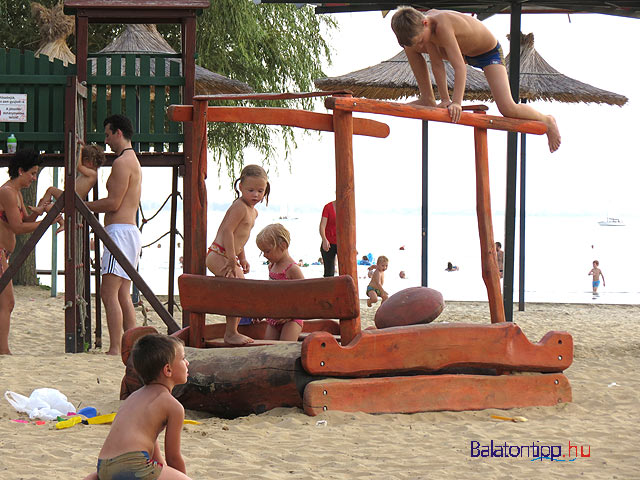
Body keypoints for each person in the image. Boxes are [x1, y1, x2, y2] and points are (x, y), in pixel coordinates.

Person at [391, 7, 561, 153]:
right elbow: (436, 64)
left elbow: (459, 67)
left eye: (421, 40)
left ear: (425, 23)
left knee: (508, 108)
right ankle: (428, 97)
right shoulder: (426, 29)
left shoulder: (442, 25)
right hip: (463, 52)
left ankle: (547, 120)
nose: (422, 45)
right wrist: (444, 99)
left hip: (487, 53)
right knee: (410, 47)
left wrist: (456, 102)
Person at [82, 333, 191, 480]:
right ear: (168, 370)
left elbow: (156, 458)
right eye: (183, 358)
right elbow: (173, 458)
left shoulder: (133, 398)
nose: (188, 363)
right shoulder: (173, 406)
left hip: (104, 468)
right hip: (134, 465)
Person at [85, 114, 142, 356]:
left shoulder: (121, 163)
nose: (106, 140)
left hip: (119, 233)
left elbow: (113, 202)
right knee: (122, 294)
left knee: (108, 292)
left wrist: (82, 205)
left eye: (107, 134)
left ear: (118, 132)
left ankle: (116, 347)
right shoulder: (133, 160)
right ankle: (135, 346)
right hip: (129, 232)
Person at [0, 150, 59, 355]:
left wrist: (41, 210)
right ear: (20, 171)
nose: (34, 178)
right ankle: (3, 350)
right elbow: (17, 227)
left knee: (6, 302)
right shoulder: (7, 192)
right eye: (32, 174)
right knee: (7, 302)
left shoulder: (15, 193)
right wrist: (47, 221)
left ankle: (3, 349)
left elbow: (26, 221)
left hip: (4, 253)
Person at [206, 164, 270, 345]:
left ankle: (236, 329)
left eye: (260, 191)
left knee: (240, 290)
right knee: (239, 289)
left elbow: (240, 238)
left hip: (228, 254)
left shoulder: (253, 212)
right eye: (251, 190)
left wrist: (242, 258)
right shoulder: (240, 206)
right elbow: (227, 231)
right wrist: (231, 259)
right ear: (240, 186)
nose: (256, 195)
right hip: (219, 254)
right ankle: (231, 333)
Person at [37, 142, 105, 233]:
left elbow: (79, 167)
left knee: (50, 195)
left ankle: (43, 210)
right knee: (50, 202)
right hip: (71, 199)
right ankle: (55, 218)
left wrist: (80, 150)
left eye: (83, 159)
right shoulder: (91, 173)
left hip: (71, 199)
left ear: (89, 162)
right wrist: (82, 147)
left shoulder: (92, 174)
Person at [256, 223, 304, 341]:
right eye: (262, 252)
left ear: (283, 245)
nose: (265, 255)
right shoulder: (271, 266)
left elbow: (304, 295)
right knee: (269, 347)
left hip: (291, 319)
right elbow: (271, 293)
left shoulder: (292, 269)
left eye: (267, 251)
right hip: (273, 318)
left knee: (285, 348)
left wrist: (291, 314)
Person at [319, 199, 337, 277]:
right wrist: (324, 239)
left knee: (346, 273)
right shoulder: (328, 207)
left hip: (342, 243)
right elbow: (322, 226)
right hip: (329, 243)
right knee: (329, 273)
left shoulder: (346, 208)